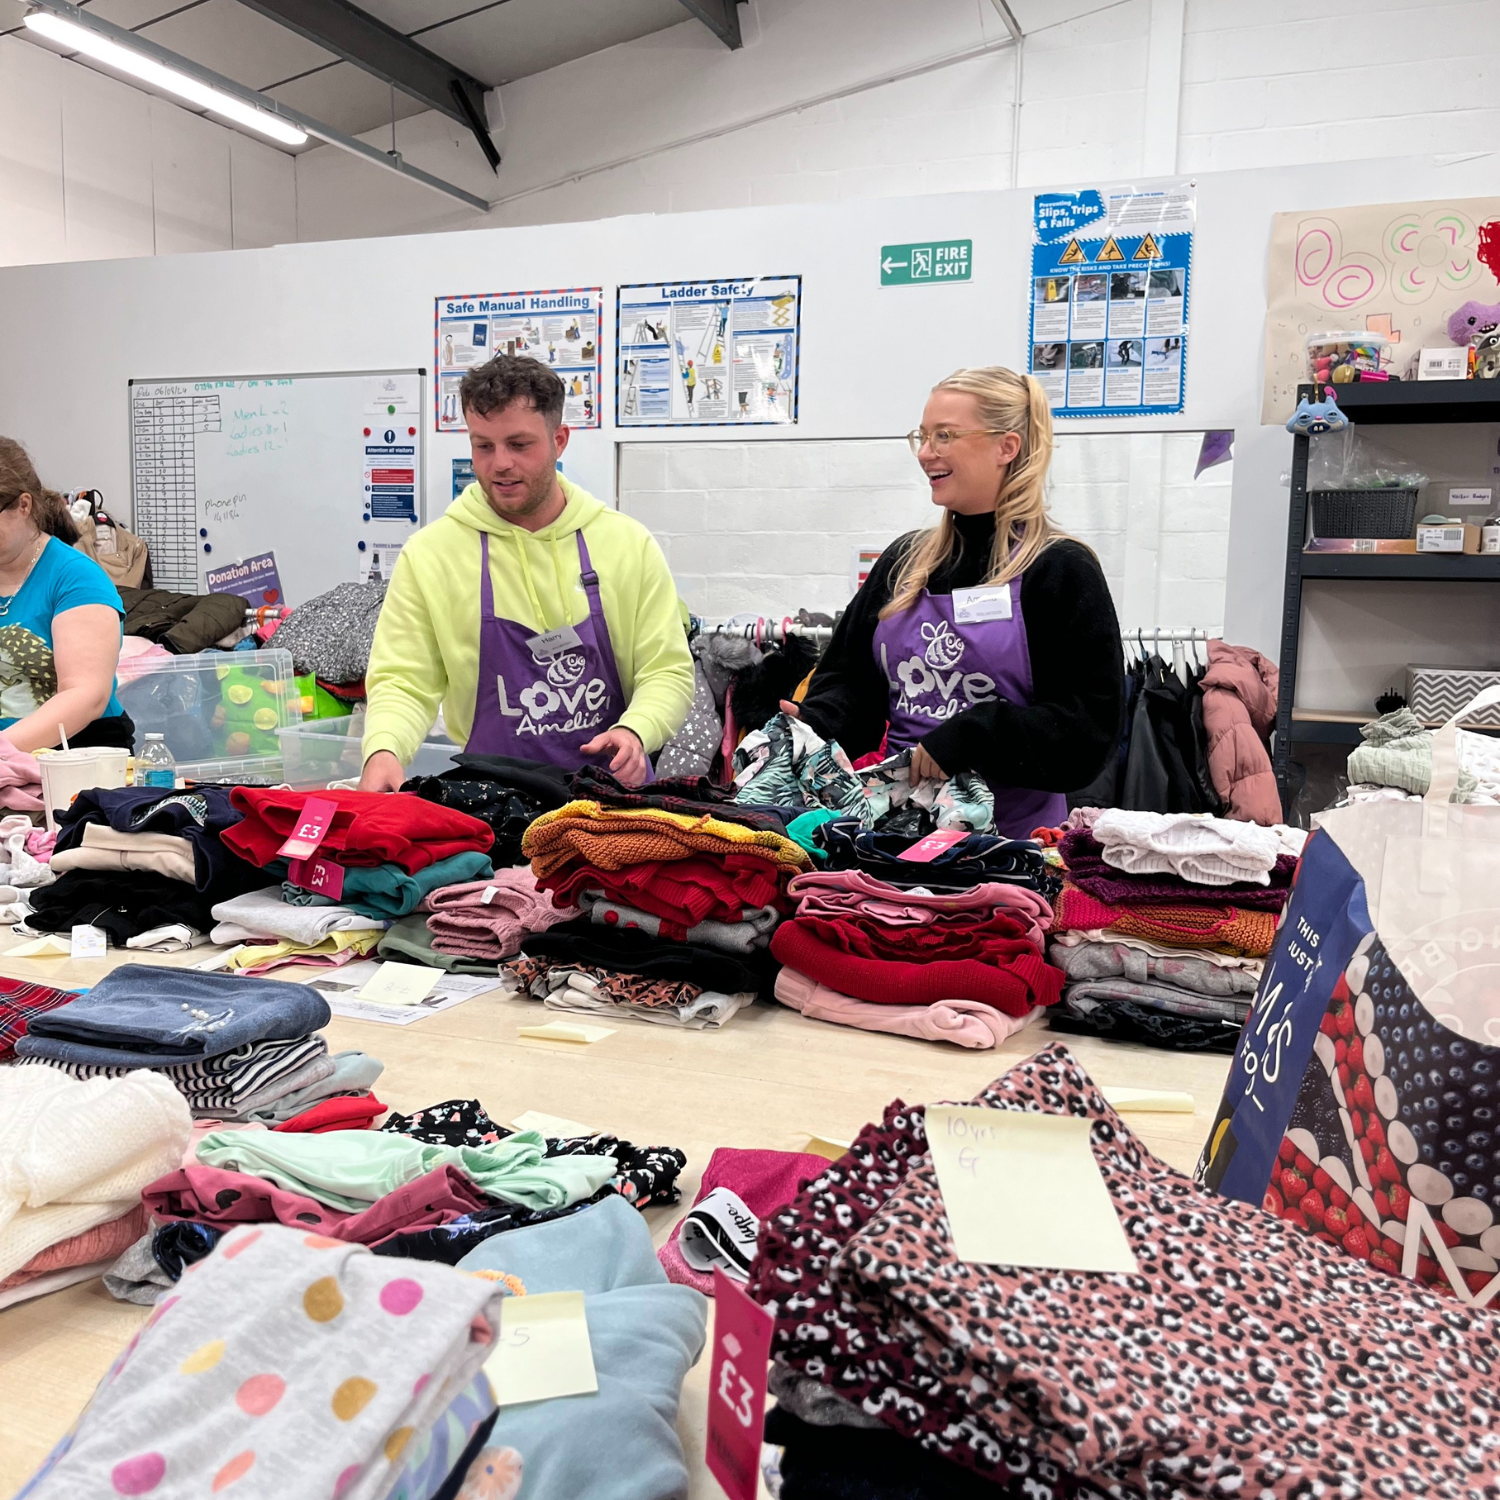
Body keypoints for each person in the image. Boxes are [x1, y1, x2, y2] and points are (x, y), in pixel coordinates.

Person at [787, 366, 1123, 838]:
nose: (926, 453)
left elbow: (1088, 731)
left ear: (1007, 446)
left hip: (1009, 852)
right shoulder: (903, 563)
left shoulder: (1060, 570)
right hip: (893, 836)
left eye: (944, 436)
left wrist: (976, 733)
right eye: (922, 437)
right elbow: (852, 683)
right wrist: (816, 722)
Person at [360, 355, 694, 790]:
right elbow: (403, 680)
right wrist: (384, 749)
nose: (499, 463)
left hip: (611, 802)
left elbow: (666, 670)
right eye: (484, 446)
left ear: (560, 439)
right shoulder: (430, 556)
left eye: (519, 445)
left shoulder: (627, 544)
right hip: (493, 802)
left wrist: (637, 730)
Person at [0, 439, 131, 752]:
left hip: (74, 756)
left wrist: (4, 752)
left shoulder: (76, 578)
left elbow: (85, 695)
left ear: (23, 506)